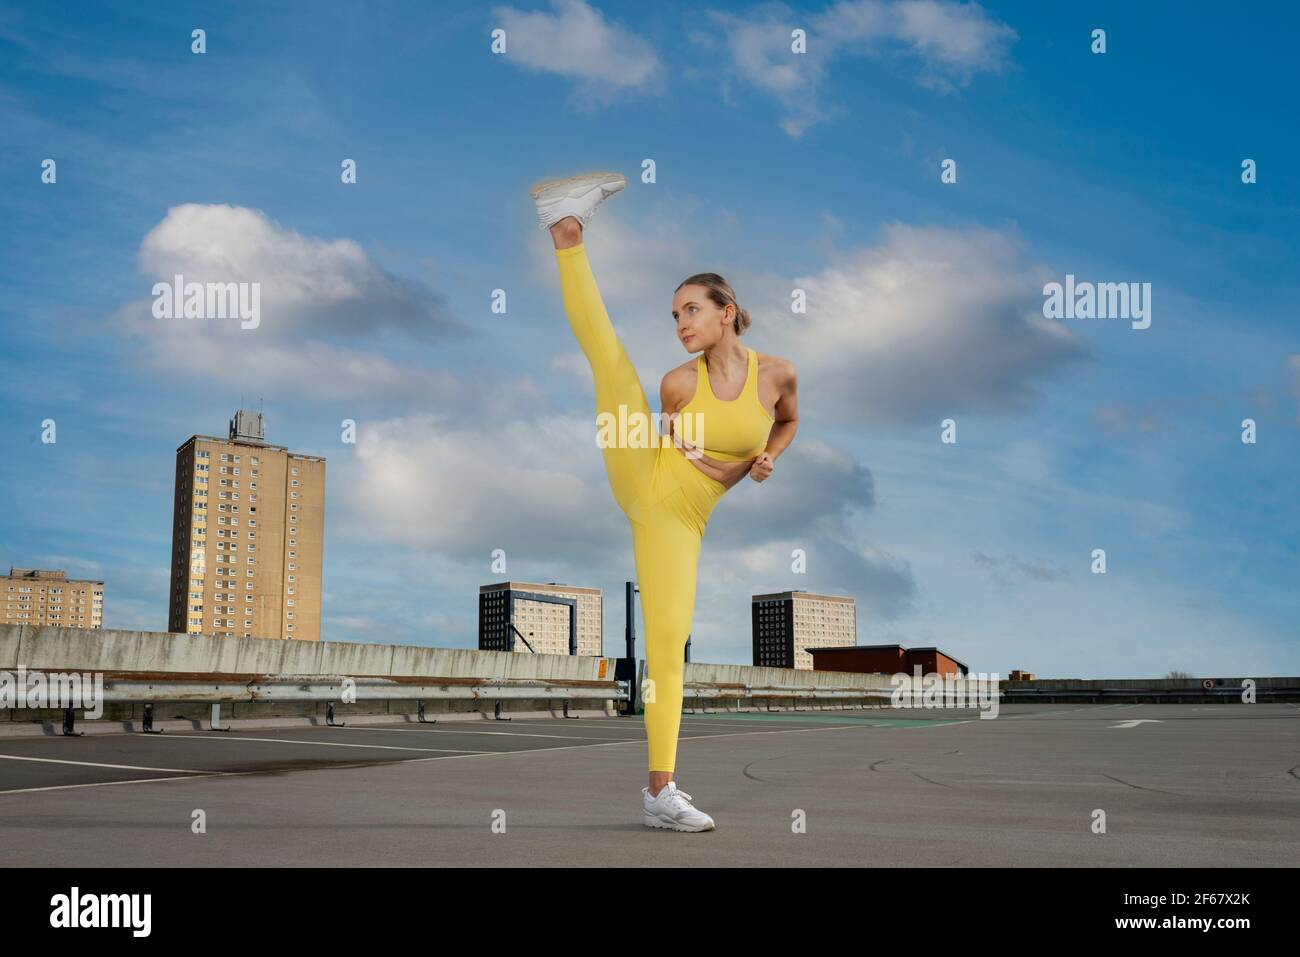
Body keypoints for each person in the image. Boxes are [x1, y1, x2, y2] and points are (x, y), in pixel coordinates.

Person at [531, 171, 799, 831]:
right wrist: (684, 442)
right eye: (675, 314)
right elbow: (676, 441)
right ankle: (567, 230)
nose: (680, 323)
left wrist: (768, 457)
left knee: (670, 638)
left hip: (684, 517)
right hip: (648, 478)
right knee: (609, 360)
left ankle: (657, 796)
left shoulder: (777, 375)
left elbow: (787, 423)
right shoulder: (678, 383)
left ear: (725, 310)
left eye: (691, 310)